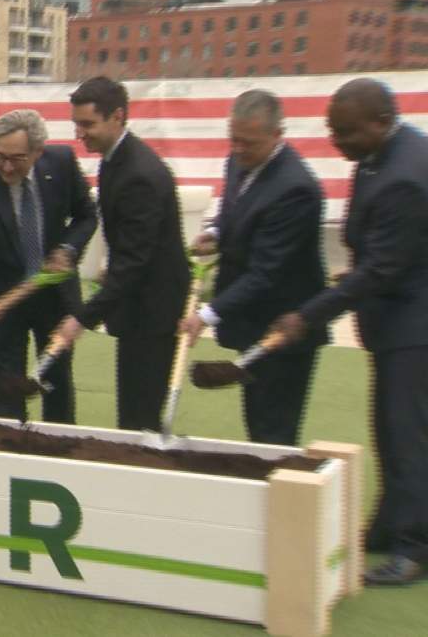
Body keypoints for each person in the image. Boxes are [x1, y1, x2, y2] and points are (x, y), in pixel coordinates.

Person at [270, 78, 428, 586]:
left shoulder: (404, 172)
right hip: (396, 317)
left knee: (408, 437)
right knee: (389, 429)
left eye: (346, 133)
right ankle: (390, 524)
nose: (337, 143)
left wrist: (307, 315)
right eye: (333, 131)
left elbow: (381, 269)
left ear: (381, 122)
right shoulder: (380, 155)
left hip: (415, 325)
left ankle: (414, 546)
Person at [180, 90, 326, 446]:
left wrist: (207, 314)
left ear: (278, 135)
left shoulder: (296, 189)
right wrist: (217, 232)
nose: (238, 149)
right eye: (234, 140)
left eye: (249, 143)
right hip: (252, 323)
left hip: (285, 328)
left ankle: (285, 494)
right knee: (255, 421)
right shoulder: (239, 160)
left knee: (273, 430)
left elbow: (267, 271)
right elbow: (237, 211)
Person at [53, 76, 190, 431]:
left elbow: (134, 263)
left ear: (117, 117)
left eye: (87, 124)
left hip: (153, 313)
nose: (80, 134)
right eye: (76, 125)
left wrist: (82, 318)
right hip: (137, 306)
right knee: (132, 411)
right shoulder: (115, 160)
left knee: (139, 418)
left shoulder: (139, 174)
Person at [0, 109, 98, 423]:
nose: (5, 166)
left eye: (16, 158)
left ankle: (59, 450)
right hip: (3, 299)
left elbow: (87, 215)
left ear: (37, 151)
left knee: (57, 381)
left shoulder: (60, 163)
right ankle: (6, 448)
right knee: (7, 386)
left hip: (54, 295)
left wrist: (68, 249)